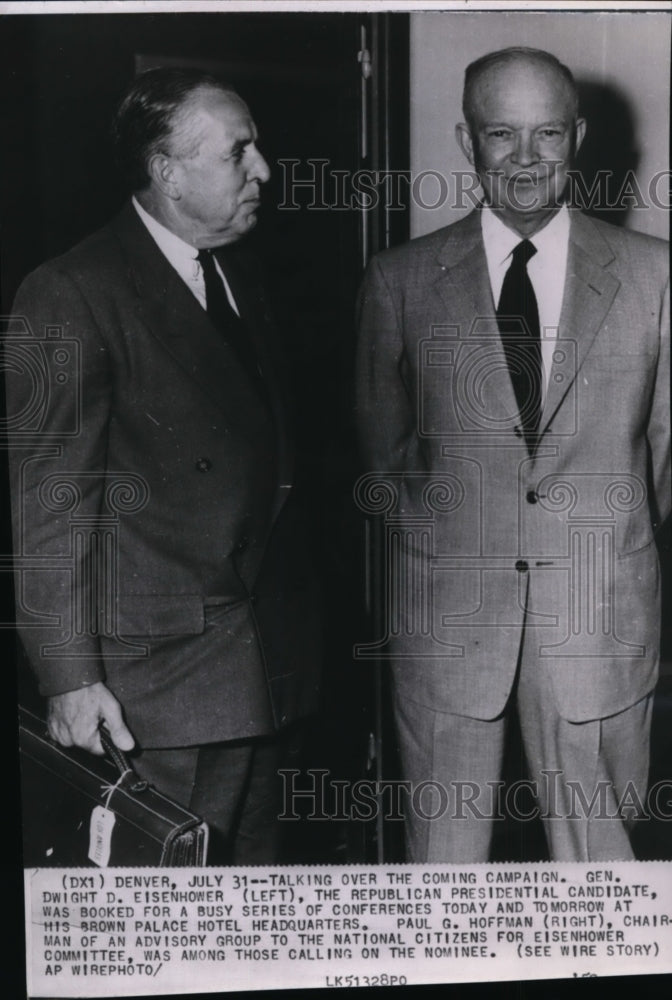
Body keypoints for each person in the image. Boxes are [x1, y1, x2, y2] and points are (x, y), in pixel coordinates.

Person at [356, 47, 670, 862]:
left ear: (580, 137)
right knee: (443, 883)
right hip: (449, 633)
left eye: (548, 135)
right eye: (503, 135)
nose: (527, 162)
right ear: (467, 142)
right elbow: (384, 460)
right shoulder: (399, 281)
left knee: (607, 886)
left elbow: (665, 456)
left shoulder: (654, 276)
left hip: (597, 623)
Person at [6, 67, 320, 863]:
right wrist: (69, 681)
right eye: (239, 152)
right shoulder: (70, 292)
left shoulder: (241, 273)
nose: (265, 171)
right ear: (167, 172)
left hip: (258, 674)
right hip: (154, 694)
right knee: (169, 922)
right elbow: (50, 503)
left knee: (247, 915)